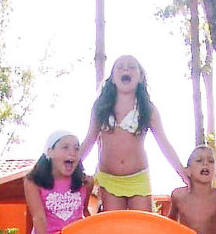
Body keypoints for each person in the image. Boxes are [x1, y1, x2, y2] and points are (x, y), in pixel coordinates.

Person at [78, 54, 187, 212]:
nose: (125, 68)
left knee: (141, 227)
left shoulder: (148, 109)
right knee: (116, 227)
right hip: (109, 178)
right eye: (120, 67)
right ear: (113, 78)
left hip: (138, 178)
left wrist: (182, 172)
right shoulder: (100, 107)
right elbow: (89, 140)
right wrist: (71, 167)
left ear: (141, 77)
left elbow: (164, 144)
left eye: (131, 66)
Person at [23, 128, 90, 234]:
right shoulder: (33, 182)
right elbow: (38, 218)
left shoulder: (86, 182)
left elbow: (84, 212)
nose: (72, 152)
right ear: (50, 151)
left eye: (76, 148)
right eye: (65, 147)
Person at [165, 143, 216, 234]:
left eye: (211, 161)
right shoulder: (178, 195)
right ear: (187, 171)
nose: (205, 164)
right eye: (199, 160)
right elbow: (169, 224)